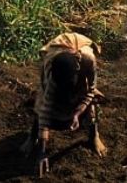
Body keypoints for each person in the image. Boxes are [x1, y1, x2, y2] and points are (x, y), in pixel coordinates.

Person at [22, 32, 107, 177]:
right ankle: (32, 136)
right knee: (42, 100)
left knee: (92, 99)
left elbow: (91, 91)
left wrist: (77, 113)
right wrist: (42, 152)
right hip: (55, 58)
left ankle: (94, 135)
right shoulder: (52, 72)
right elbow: (45, 109)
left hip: (80, 69)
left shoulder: (88, 61)